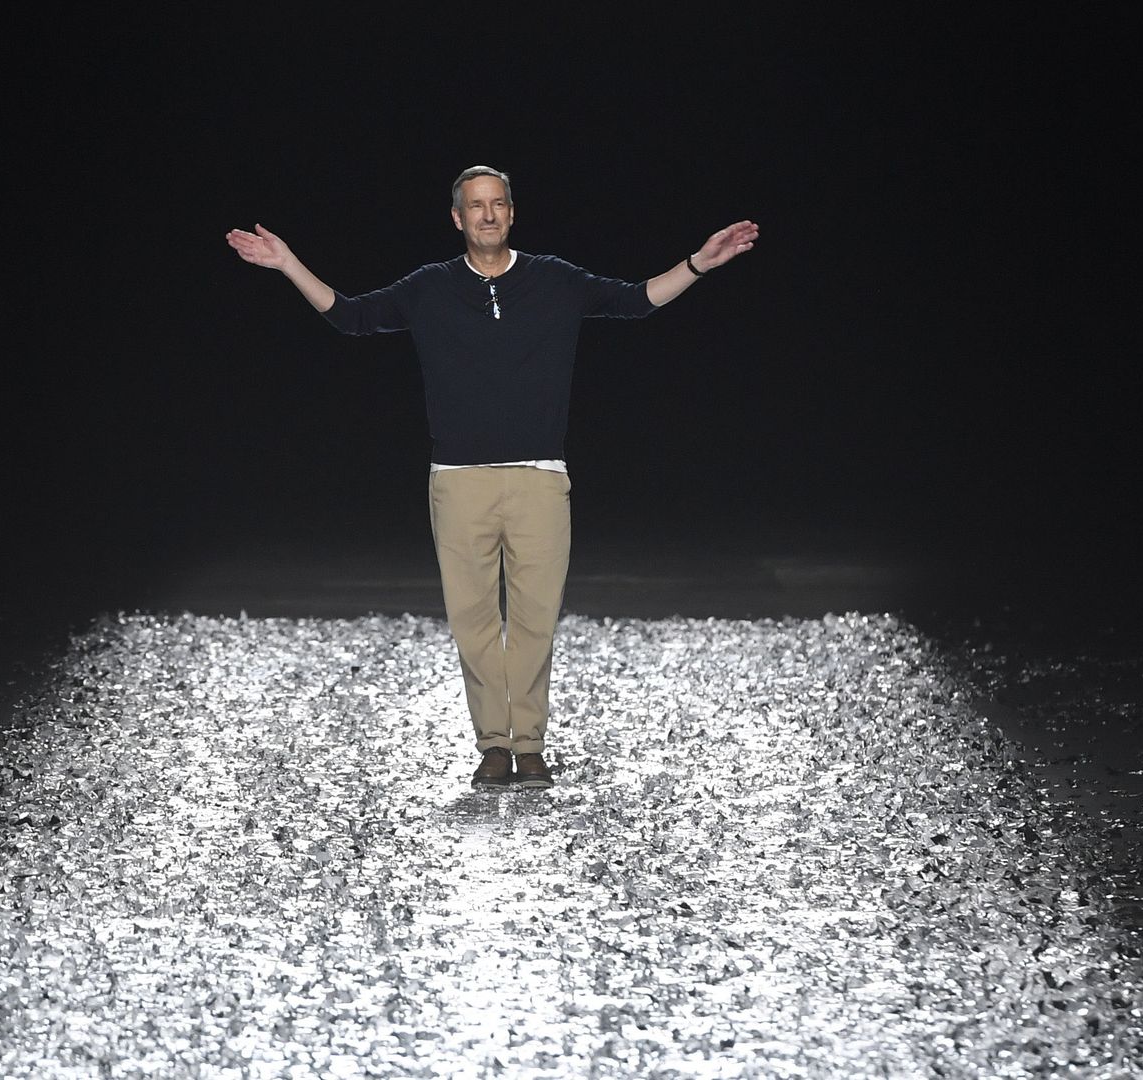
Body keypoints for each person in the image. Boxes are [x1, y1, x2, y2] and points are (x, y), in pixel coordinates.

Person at [226, 165, 757, 791]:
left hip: (538, 478)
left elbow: (634, 300)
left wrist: (698, 262)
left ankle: (529, 745)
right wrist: (288, 263)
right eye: (475, 206)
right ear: (458, 218)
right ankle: (495, 747)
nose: (487, 214)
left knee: (534, 619)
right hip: (459, 481)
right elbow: (352, 316)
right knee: (473, 621)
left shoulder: (555, 279)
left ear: (511, 213)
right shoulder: (430, 288)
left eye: (497, 204)